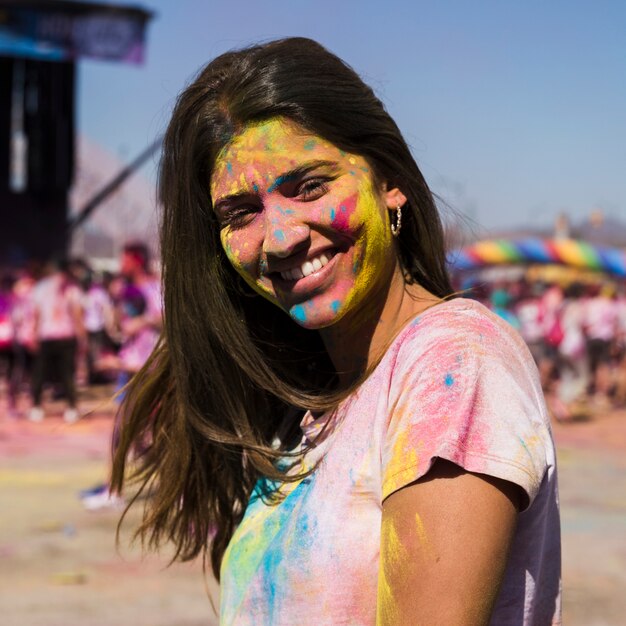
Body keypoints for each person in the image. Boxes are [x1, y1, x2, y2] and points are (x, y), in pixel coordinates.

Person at [111, 38, 561, 625]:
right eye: (241, 213)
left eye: (309, 186)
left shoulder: (452, 363)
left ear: (390, 179)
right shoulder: (319, 404)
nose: (279, 238)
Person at [28, 259, 85, 423]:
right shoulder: (70, 287)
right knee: (64, 373)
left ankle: (38, 407)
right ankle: (70, 407)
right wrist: (82, 339)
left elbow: (37, 315)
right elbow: (77, 316)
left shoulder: (44, 287)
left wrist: (34, 334)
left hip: (53, 336)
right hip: (60, 336)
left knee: (43, 373)